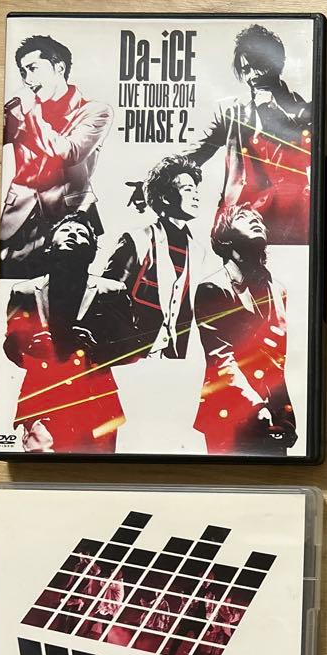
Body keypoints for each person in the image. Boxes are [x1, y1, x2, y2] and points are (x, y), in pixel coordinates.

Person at [103, 155, 209, 451]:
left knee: (170, 437)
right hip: (132, 359)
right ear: (164, 197)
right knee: (133, 437)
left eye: (196, 188)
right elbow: (107, 297)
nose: (196, 194)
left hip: (175, 361)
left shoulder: (198, 250)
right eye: (187, 189)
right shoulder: (135, 240)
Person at [2, 212, 131, 452]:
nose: (73, 234)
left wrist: (97, 346)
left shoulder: (113, 291)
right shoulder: (24, 292)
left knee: (96, 469)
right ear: (49, 246)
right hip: (42, 397)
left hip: (97, 401)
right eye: (66, 230)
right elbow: (11, 346)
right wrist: (29, 346)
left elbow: (130, 347)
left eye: (82, 234)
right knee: (40, 467)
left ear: (91, 252)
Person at [185, 24, 312, 244]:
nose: (252, 76)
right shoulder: (232, 111)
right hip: (239, 222)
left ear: (277, 63)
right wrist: (160, 177)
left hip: (289, 221)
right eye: (246, 69)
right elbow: (199, 152)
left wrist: (272, 111)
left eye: (259, 66)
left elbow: (308, 156)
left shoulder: (304, 109)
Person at [1, 35, 113, 277]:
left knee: (64, 289)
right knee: (12, 289)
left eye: (33, 68)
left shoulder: (95, 111)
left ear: (59, 67)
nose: (27, 79)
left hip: (69, 219)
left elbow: (69, 153)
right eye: (23, 72)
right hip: (18, 219)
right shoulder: (19, 109)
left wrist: (31, 112)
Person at [193, 205, 297, 454]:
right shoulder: (212, 288)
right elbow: (220, 359)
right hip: (229, 411)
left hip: (271, 415)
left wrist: (286, 415)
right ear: (225, 237)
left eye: (257, 219)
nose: (255, 221)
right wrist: (255, 407)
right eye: (243, 217)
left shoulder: (278, 290)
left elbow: (276, 363)